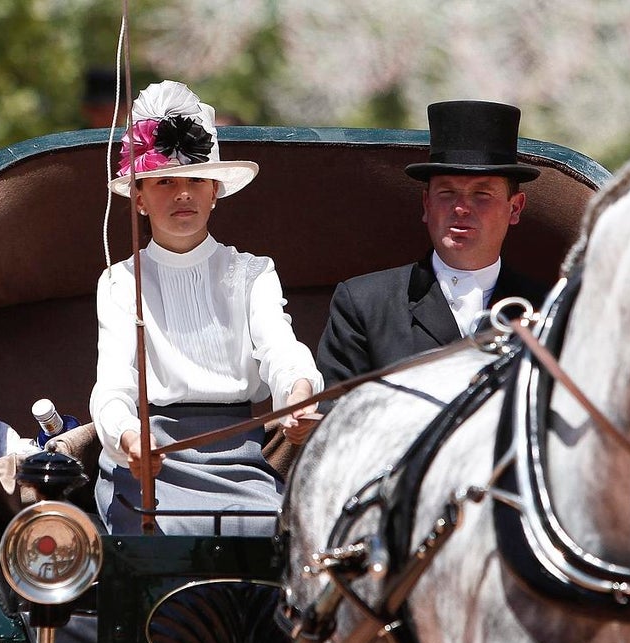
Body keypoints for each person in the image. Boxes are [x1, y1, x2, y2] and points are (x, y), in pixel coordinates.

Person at [91, 80, 323, 535]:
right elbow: (112, 384)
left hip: (242, 463)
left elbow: (282, 350)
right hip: (149, 460)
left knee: (275, 537)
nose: (183, 193)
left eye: (196, 180)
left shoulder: (253, 272)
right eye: (165, 181)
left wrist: (297, 394)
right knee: (152, 539)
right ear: (139, 198)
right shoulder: (120, 282)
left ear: (215, 192)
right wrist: (129, 437)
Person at [316, 99, 548, 388]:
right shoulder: (364, 304)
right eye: (447, 193)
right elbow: (337, 411)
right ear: (427, 204)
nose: (461, 208)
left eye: (482, 195)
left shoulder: (547, 310)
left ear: (515, 208)